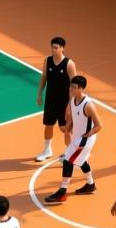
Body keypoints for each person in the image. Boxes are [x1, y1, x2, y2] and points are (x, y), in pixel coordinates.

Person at [44, 75, 103, 204]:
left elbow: (99, 125)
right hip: (77, 137)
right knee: (82, 161)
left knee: (68, 161)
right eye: (71, 86)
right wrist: (67, 130)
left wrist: (88, 134)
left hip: (85, 139)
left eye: (74, 87)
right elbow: (71, 118)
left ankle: (62, 192)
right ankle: (91, 185)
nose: (71, 89)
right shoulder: (73, 100)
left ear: (81, 88)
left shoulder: (88, 105)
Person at [34, 36, 77, 161]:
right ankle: (47, 150)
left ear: (62, 48)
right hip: (51, 100)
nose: (54, 50)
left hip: (64, 101)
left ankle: (71, 152)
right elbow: (44, 77)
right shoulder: (47, 61)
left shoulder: (69, 64)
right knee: (48, 125)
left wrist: (70, 104)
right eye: (52, 47)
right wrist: (39, 94)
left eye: (56, 48)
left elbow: (74, 85)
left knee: (65, 128)